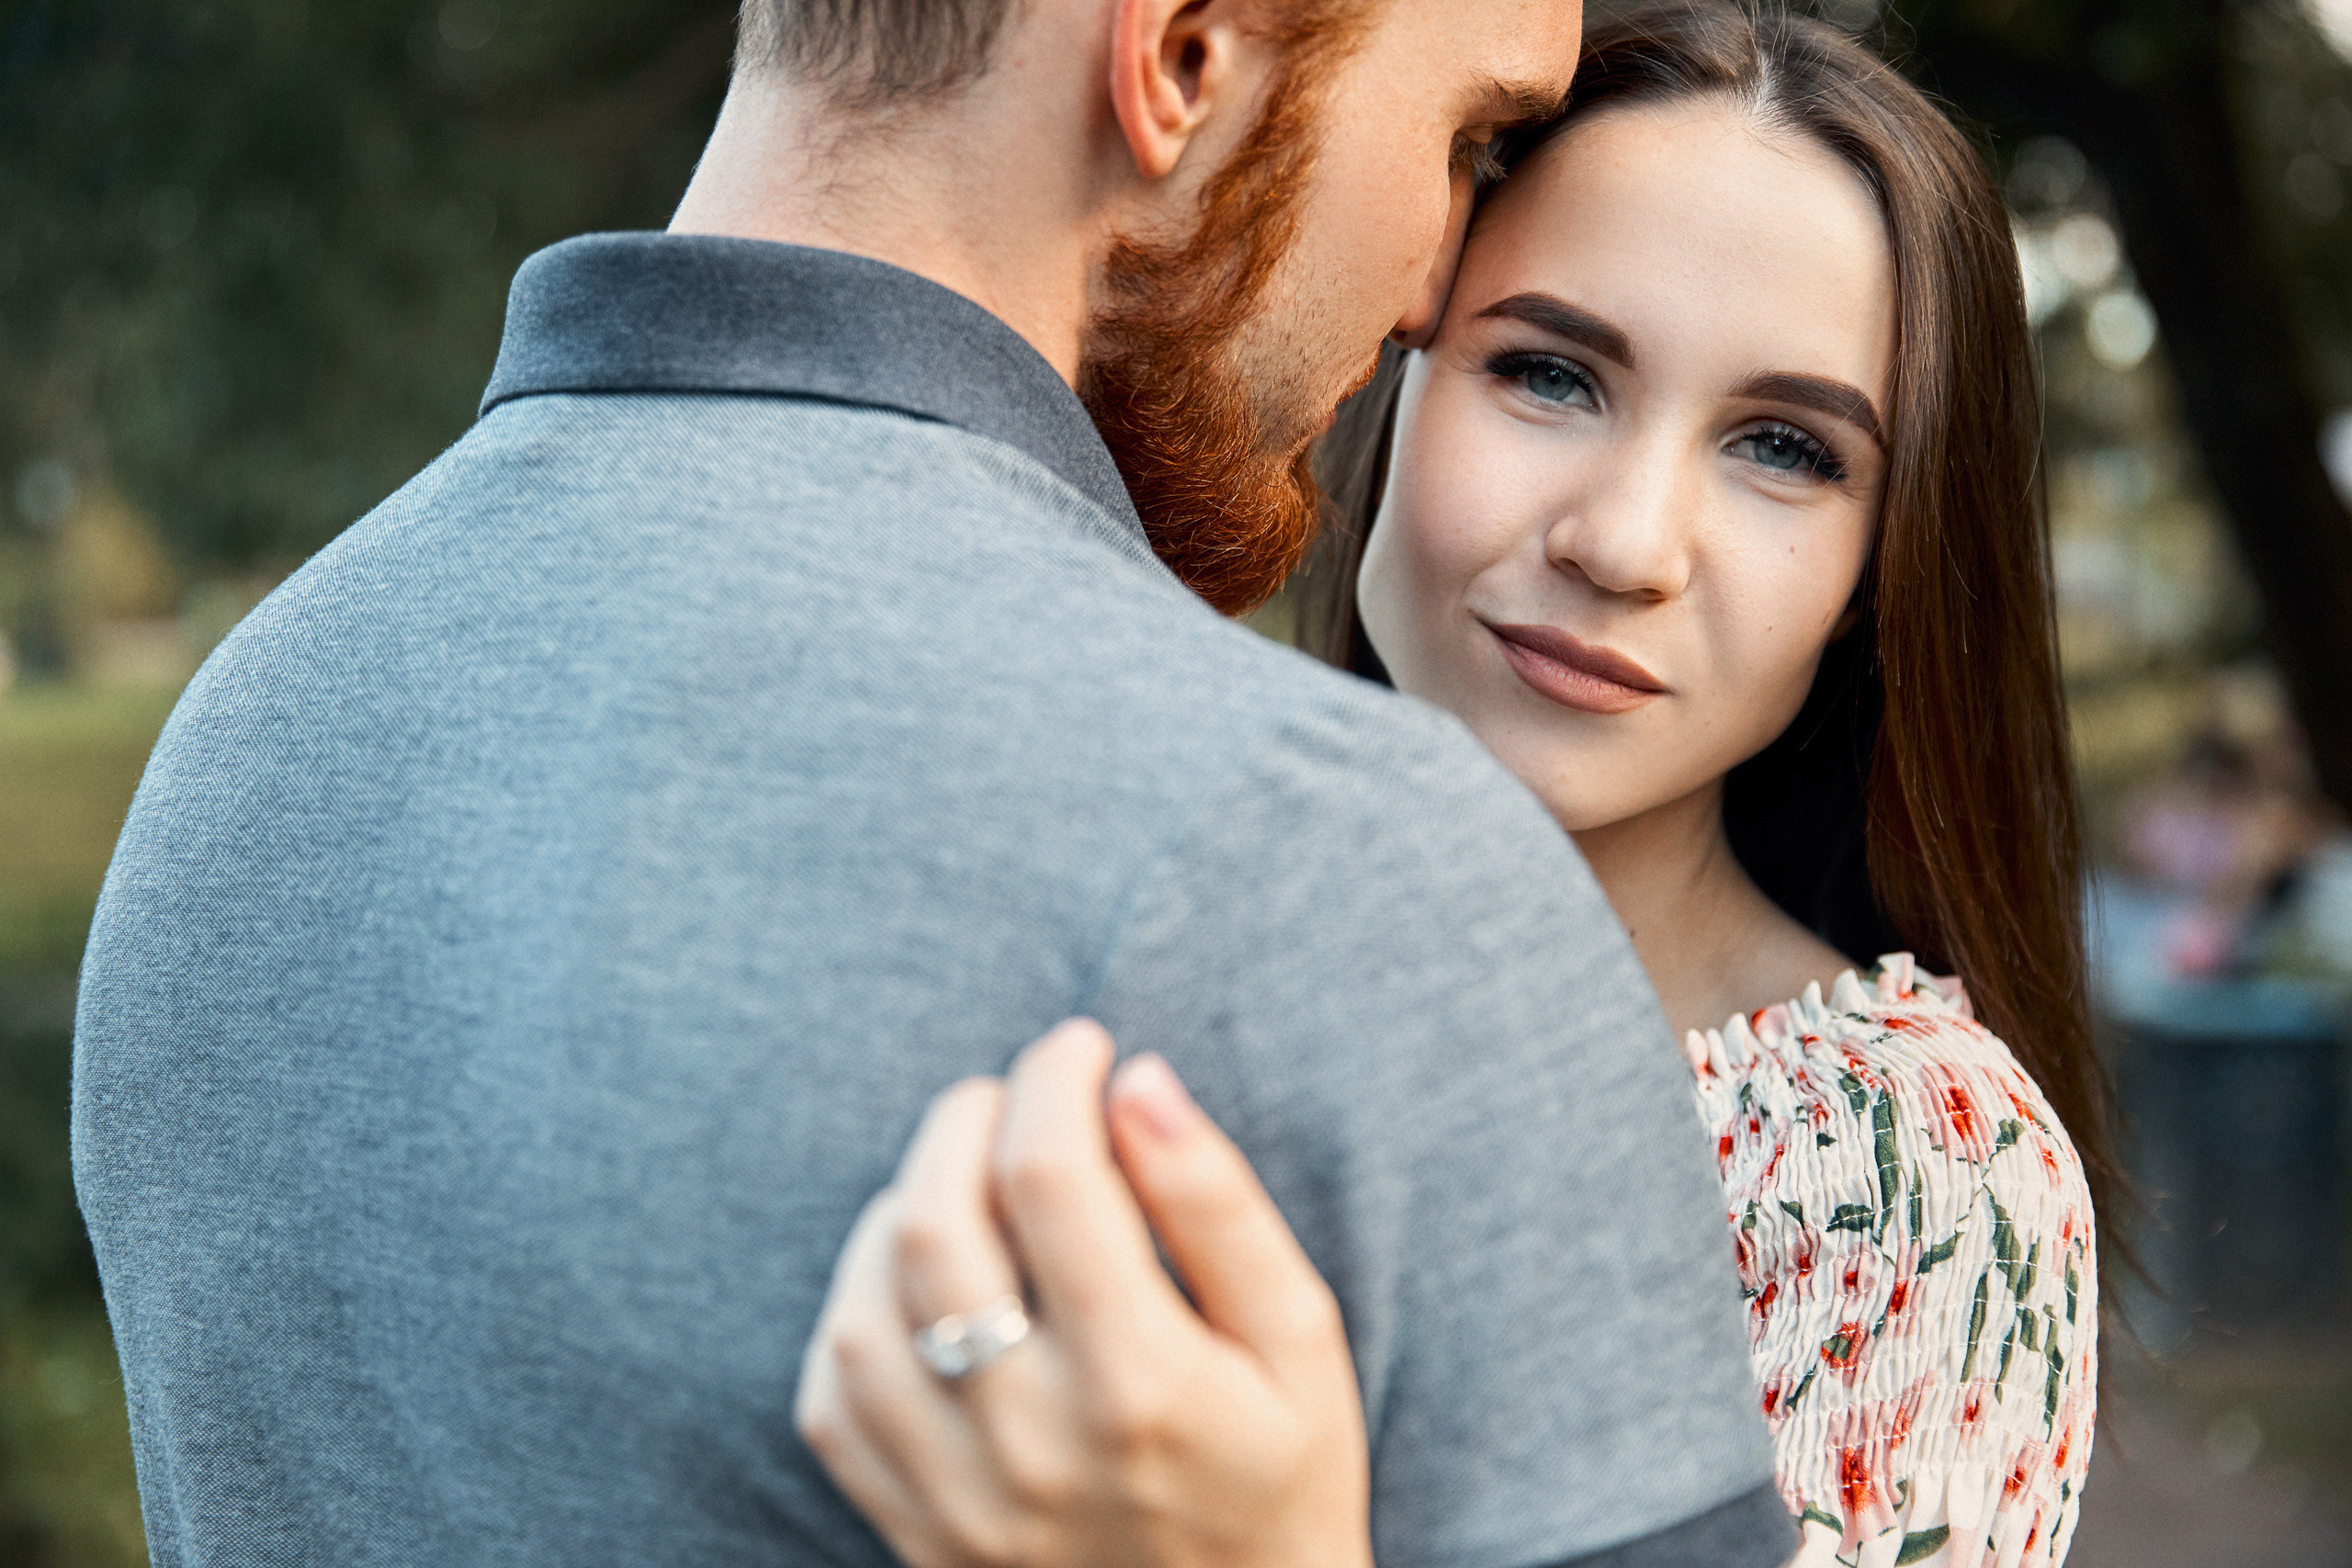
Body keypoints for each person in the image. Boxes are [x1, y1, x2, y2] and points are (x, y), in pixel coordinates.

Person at [71, 1, 1797, 1564]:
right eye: (1464, 139)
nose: (1430, 292)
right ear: (1181, 59)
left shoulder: (243, 742)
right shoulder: (1344, 861)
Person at [796, 6, 2112, 1567]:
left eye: (1784, 449)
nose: (1622, 543)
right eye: (1549, 374)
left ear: (1877, 576)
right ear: (1386, 372)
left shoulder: (1909, 1173)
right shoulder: (1079, 918)